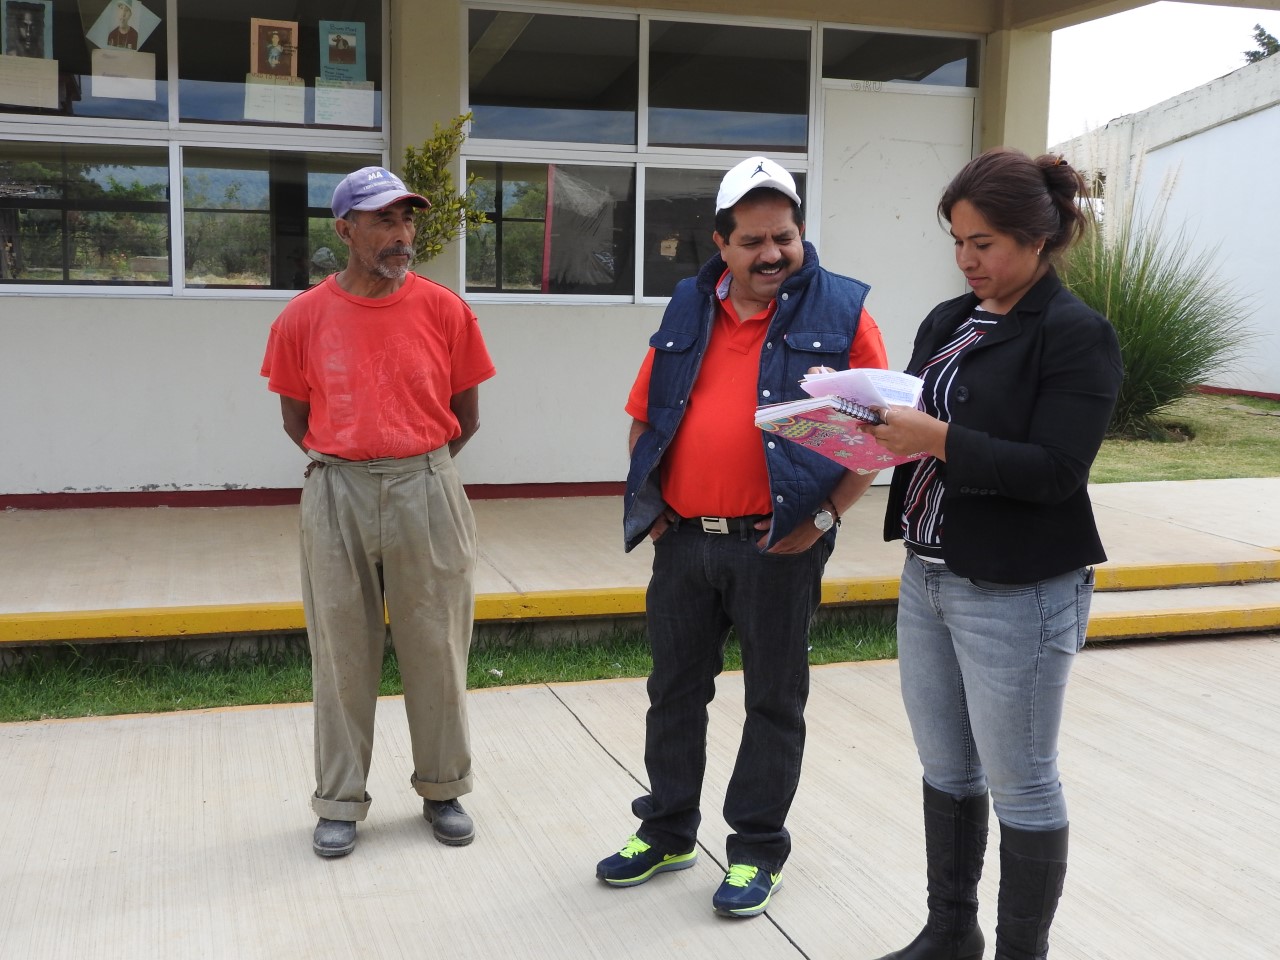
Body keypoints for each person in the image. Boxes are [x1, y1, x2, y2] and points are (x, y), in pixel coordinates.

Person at [598, 156, 889, 917]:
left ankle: (756, 850)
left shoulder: (844, 313)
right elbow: (646, 412)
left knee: (774, 701)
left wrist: (823, 520)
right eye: (753, 240)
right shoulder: (689, 308)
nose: (772, 255)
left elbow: (875, 439)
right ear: (721, 242)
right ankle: (666, 832)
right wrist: (651, 496)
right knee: (674, 693)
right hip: (685, 542)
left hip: (778, 545)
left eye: (784, 236)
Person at [862, 148, 1122, 960]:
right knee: (946, 764)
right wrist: (858, 430)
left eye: (986, 243)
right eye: (958, 240)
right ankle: (950, 932)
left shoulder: (1076, 336)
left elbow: (1056, 472)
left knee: (1021, 779)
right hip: (930, 574)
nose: (969, 259)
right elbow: (912, 420)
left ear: (1038, 241)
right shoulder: (948, 321)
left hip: (1018, 587)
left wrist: (937, 438)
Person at [260, 166, 496, 858]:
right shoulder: (302, 318)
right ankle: (339, 801)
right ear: (345, 230)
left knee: (438, 647)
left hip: (428, 482)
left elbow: (466, 417)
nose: (401, 234)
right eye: (383, 220)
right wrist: (351, 460)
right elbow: (294, 416)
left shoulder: (444, 309)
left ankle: (444, 787)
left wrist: (414, 466)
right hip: (337, 492)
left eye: (406, 220)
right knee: (341, 654)